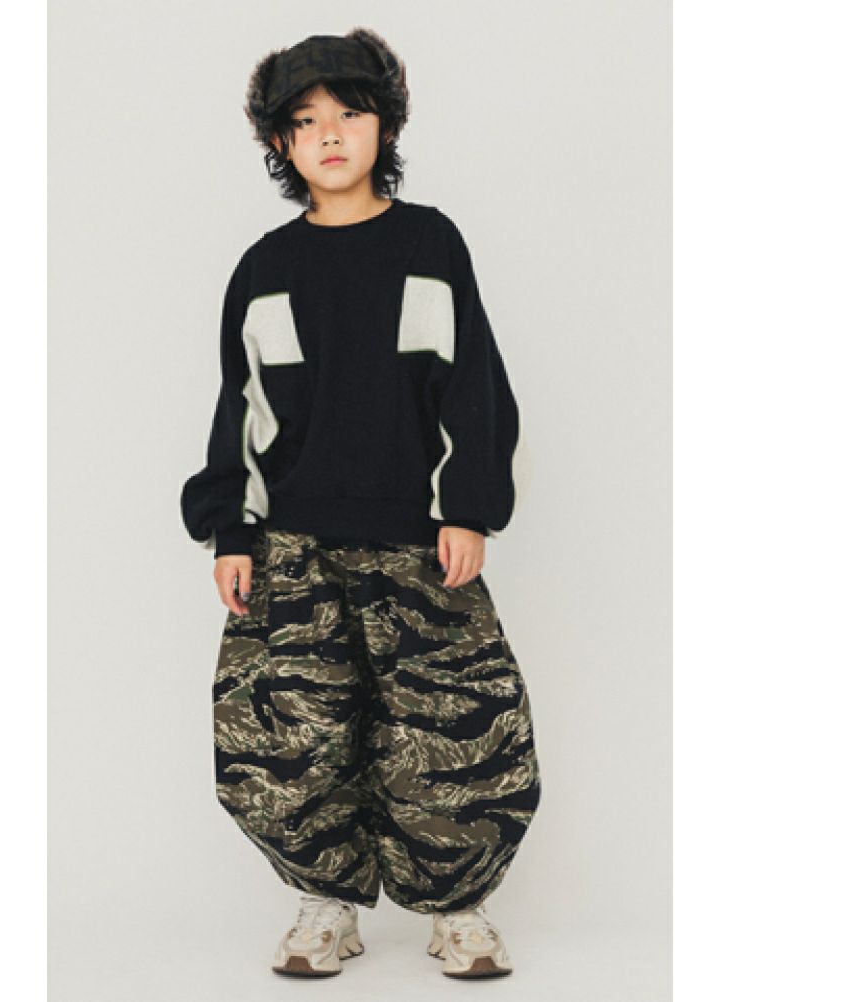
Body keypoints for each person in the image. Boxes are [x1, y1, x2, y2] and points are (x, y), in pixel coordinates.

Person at [180, 27, 541, 980]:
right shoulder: (265, 267)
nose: (331, 134)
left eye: (350, 112)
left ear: (386, 125)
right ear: (280, 144)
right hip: (290, 547)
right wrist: (232, 531)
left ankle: (458, 908)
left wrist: (467, 507)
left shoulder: (428, 243)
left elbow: (472, 383)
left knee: (455, 727)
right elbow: (241, 409)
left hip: (417, 542)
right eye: (306, 121)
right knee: (284, 737)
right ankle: (324, 902)